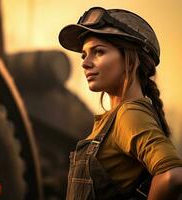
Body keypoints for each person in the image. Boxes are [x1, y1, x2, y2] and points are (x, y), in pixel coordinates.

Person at [58, 6, 182, 200]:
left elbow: (172, 175)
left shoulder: (129, 114)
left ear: (131, 60)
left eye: (98, 52)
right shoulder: (114, 118)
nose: (85, 62)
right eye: (84, 54)